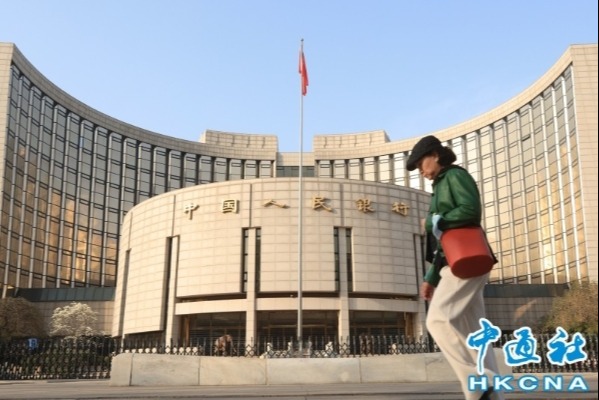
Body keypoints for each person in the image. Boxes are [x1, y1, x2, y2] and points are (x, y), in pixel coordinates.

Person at [406, 135, 503, 400]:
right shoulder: (440, 184)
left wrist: (434, 221)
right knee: (475, 333)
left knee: (437, 320)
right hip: (461, 260)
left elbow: (470, 210)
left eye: (421, 163)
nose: (420, 171)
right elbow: (442, 245)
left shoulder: (454, 176)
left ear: (435, 155)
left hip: (464, 261)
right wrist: (430, 278)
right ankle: (493, 393)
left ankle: (479, 380)